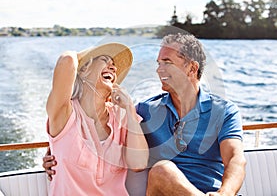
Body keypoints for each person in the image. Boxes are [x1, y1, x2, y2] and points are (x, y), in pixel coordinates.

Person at [43, 33, 246, 195]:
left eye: (167, 62)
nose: (159, 69)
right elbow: (69, 133)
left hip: (213, 193)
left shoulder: (224, 111)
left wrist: (225, 193)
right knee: (162, 171)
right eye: (158, 63)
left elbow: (235, 158)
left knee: (162, 170)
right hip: (162, 190)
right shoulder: (145, 111)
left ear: (192, 68)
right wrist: (56, 147)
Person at [45, 42, 149, 195]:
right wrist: (83, 58)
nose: (113, 68)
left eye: (114, 66)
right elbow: (66, 60)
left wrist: (130, 110)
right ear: (84, 70)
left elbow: (138, 164)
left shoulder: (121, 116)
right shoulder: (65, 114)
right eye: (105, 60)